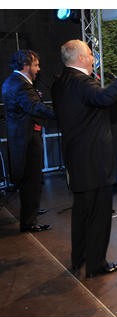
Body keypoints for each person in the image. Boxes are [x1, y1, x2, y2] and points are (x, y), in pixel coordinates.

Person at [51, 40, 117, 278]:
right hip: (95, 160)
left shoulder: (61, 83)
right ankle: (96, 265)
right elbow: (105, 98)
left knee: (82, 212)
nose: (92, 56)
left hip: (77, 158)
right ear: (79, 58)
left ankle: (79, 258)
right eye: (89, 53)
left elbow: (95, 109)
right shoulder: (80, 82)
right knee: (99, 215)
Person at [1, 49, 56, 233]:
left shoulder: (12, 81)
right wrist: (62, 114)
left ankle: (30, 211)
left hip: (19, 138)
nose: (38, 69)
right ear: (26, 66)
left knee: (28, 180)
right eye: (35, 65)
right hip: (27, 139)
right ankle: (29, 221)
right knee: (32, 180)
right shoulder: (21, 85)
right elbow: (34, 108)